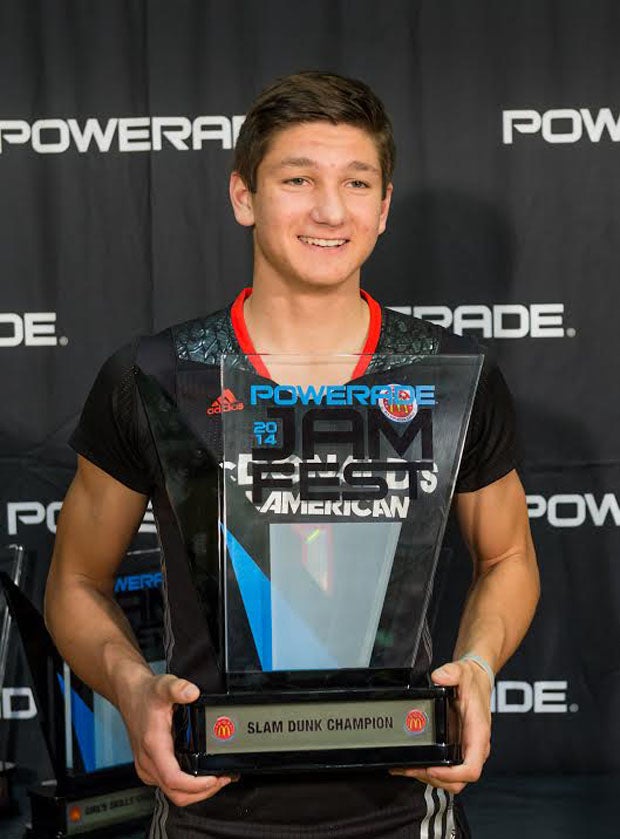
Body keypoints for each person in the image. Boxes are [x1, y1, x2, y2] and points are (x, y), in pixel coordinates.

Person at [45, 71, 540, 839]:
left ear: (383, 206)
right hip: (207, 807)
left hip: (406, 805)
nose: (330, 209)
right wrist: (133, 685)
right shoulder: (156, 375)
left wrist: (475, 666)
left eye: (356, 182)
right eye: (297, 179)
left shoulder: (451, 377)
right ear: (243, 196)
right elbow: (75, 579)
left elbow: (509, 555)